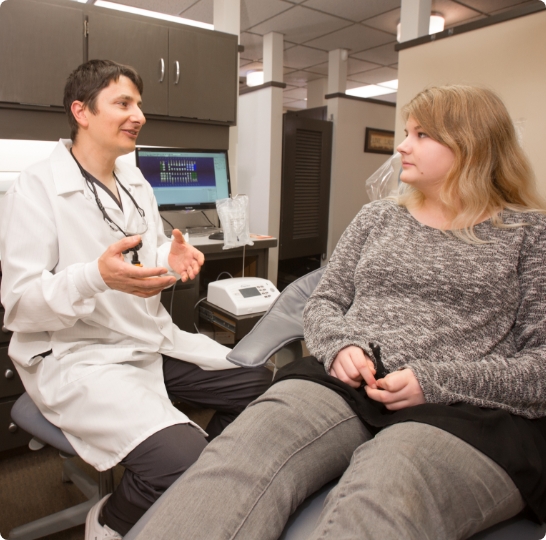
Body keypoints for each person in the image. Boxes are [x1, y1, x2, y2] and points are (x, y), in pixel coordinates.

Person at [126, 85, 546, 540]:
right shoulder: (378, 217)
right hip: (343, 383)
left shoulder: (528, 234)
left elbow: (540, 366)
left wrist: (435, 381)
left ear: (472, 143)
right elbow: (324, 302)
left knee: (388, 485)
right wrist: (340, 344)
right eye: (406, 133)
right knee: (241, 454)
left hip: (466, 409)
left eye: (421, 135)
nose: (402, 146)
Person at [0, 59, 271, 540]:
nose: (138, 114)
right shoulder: (35, 187)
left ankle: (207, 481)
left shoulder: (134, 179)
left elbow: (138, 253)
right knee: (182, 460)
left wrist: (171, 255)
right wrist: (93, 278)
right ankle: (110, 520)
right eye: (123, 103)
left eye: (139, 104)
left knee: (262, 384)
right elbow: (19, 304)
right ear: (81, 111)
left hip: (145, 340)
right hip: (76, 355)